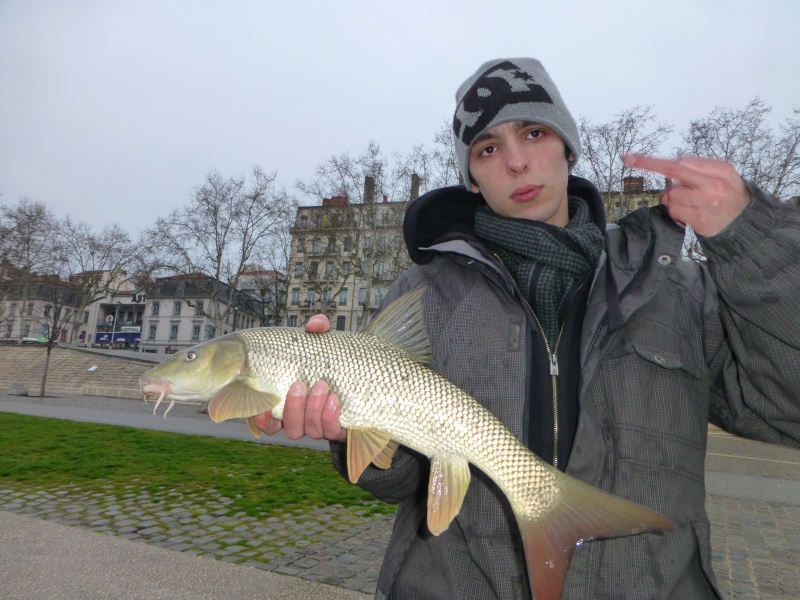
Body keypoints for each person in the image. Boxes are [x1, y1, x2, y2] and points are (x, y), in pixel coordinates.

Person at [253, 58, 800, 599]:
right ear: (471, 178)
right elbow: (406, 484)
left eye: (534, 133)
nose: (516, 161)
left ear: (568, 146)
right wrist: (352, 426)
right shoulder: (419, 297)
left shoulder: (681, 292)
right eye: (487, 148)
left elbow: (786, 408)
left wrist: (754, 244)